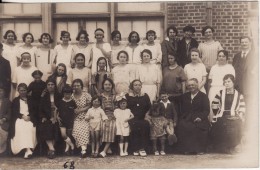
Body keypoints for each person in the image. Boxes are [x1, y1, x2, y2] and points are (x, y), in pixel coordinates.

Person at [210, 74, 245, 154]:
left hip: (234, 116)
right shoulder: (220, 93)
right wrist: (217, 113)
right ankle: (223, 147)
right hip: (222, 115)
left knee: (234, 125)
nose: (227, 83)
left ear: (233, 82)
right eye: (225, 82)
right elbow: (214, 104)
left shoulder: (239, 95)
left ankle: (232, 146)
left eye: (229, 81)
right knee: (221, 124)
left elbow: (242, 107)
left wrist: (239, 116)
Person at [176, 78, 210, 154]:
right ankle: (187, 149)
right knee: (183, 125)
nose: (191, 87)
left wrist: (200, 117)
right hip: (187, 116)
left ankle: (199, 149)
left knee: (198, 127)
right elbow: (178, 104)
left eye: (193, 85)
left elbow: (206, 110)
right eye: (189, 85)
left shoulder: (203, 96)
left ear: (197, 85)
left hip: (200, 117)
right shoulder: (185, 96)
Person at [10, 83, 37, 159]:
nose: (23, 92)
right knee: (21, 126)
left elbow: (35, 111)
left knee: (29, 126)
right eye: (21, 90)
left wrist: (30, 117)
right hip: (19, 118)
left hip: (30, 118)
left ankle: (27, 150)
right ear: (18, 91)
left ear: (27, 90)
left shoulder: (31, 99)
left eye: (24, 90)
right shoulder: (15, 100)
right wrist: (22, 116)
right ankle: (27, 150)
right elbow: (14, 112)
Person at [125, 80, 151, 157]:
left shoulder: (145, 95)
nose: (137, 87)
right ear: (132, 87)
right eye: (135, 85)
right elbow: (124, 108)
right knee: (135, 125)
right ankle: (135, 148)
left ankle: (142, 148)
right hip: (131, 117)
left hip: (142, 117)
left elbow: (149, 107)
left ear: (141, 86)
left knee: (145, 124)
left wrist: (147, 115)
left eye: (139, 85)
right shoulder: (128, 96)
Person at [208, 50, 235, 121]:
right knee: (212, 108)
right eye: (219, 56)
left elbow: (232, 81)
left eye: (223, 56)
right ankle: (213, 125)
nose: (221, 58)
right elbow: (210, 81)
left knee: (222, 107)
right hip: (213, 89)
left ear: (226, 58)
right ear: (217, 57)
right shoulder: (214, 67)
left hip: (224, 89)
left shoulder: (230, 67)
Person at [39, 78, 62, 159]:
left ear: (55, 86)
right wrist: (44, 117)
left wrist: (55, 116)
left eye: (52, 84)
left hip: (57, 116)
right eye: (48, 85)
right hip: (47, 117)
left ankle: (51, 149)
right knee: (46, 125)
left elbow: (61, 107)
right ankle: (52, 149)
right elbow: (41, 109)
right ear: (46, 86)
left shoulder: (59, 95)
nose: (50, 86)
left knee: (55, 125)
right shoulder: (44, 96)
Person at [71, 79, 92, 158]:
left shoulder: (86, 95)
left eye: (78, 85)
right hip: (75, 117)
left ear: (82, 86)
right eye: (74, 86)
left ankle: (84, 149)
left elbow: (90, 105)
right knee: (77, 128)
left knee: (85, 127)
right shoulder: (71, 95)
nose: (76, 87)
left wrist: (82, 110)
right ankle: (84, 149)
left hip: (86, 116)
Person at [99, 78, 117, 158]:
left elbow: (117, 108)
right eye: (106, 84)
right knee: (100, 125)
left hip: (113, 115)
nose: (107, 86)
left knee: (112, 126)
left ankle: (104, 150)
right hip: (101, 115)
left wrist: (112, 115)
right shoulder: (100, 96)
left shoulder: (115, 97)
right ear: (103, 85)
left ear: (112, 86)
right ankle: (108, 147)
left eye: (109, 84)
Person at [57, 85, 76, 156]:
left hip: (70, 121)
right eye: (65, 94)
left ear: (71, 94)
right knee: (64, 135)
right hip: (62, 121)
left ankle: (67, 150)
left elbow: (75, 111)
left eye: (68, 94)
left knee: (69, 135)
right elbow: (57, 110)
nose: (67, 95)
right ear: (63, 93)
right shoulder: (60, 101)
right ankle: (71, 144)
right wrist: (57, 116)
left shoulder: (72, 102)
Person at [2, 30, 19, 99]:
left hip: (15, 68)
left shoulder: (17, 47)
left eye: (12, 36)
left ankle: (13, 102)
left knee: (14, 85)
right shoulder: (3, 46)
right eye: (9, 36)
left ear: (14, 37)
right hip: (5, 69)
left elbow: (18, 59)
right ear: (6, 37)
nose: (10, 37)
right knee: (6, 86)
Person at [0, 84, 11, 155]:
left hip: (3, 122)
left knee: (3, 133)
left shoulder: (7, 101)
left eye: (0, 91)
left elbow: (9, 113)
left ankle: (1, 150)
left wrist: (4, 119)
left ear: (4, 92)